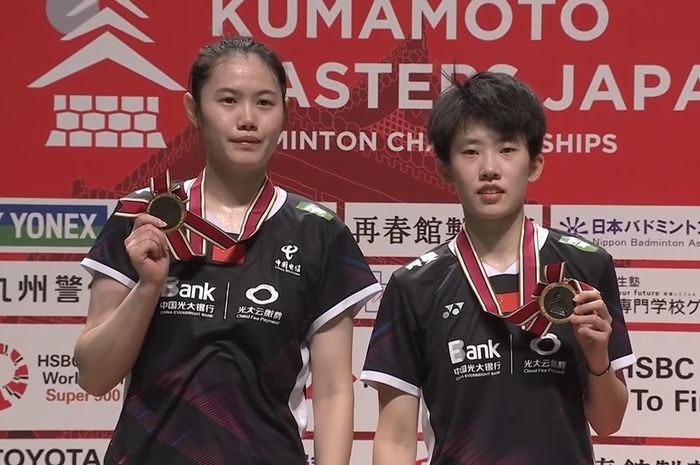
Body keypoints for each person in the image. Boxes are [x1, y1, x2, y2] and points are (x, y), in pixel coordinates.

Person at [74, 36, 381, 465]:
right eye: (228, 100)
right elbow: (93, 374)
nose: (247, 119)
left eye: (265, 103)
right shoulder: (142, 216)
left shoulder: (319, 232)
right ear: (193, 110)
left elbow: (332, 391)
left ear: (285, 114)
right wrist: (147, 288)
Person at [360, 72, 635, 465]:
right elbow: (395, 440)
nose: (490, 168)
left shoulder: (587, 265)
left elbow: (608, 421)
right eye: (471, 152)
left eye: (507, 150)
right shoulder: (415, 285)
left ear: (535, 164)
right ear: (445, 169)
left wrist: (597, 359)